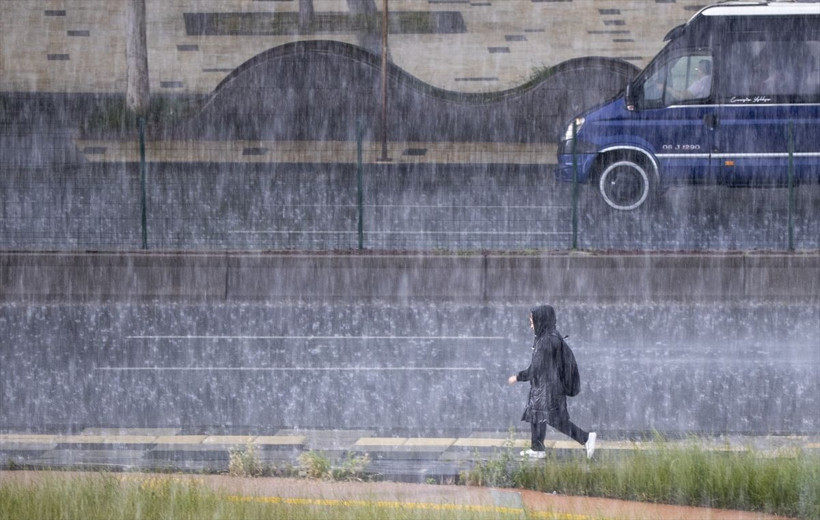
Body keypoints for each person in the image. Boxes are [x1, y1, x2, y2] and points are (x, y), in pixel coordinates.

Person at [508, 305, 596, 459]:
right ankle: (537, 449)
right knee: (536, 415)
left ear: (541, 321)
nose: (531, 326)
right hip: (544, 387)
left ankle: (586, 438)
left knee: (556, 420)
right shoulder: (548, 336)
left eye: (532, 322)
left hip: (549, 390)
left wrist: (518, 377)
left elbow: (535, 368)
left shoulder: (546, 341)